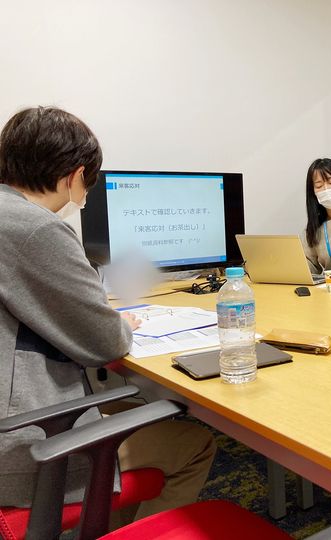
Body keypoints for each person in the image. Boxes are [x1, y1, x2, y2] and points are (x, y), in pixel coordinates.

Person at [0, 107, 216, 528]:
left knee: (127, 402)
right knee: (194, 443)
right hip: (26, 447)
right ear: (76, 175)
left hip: (20, 418)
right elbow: (106, 342)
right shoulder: (36, 229)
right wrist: (120, 324)